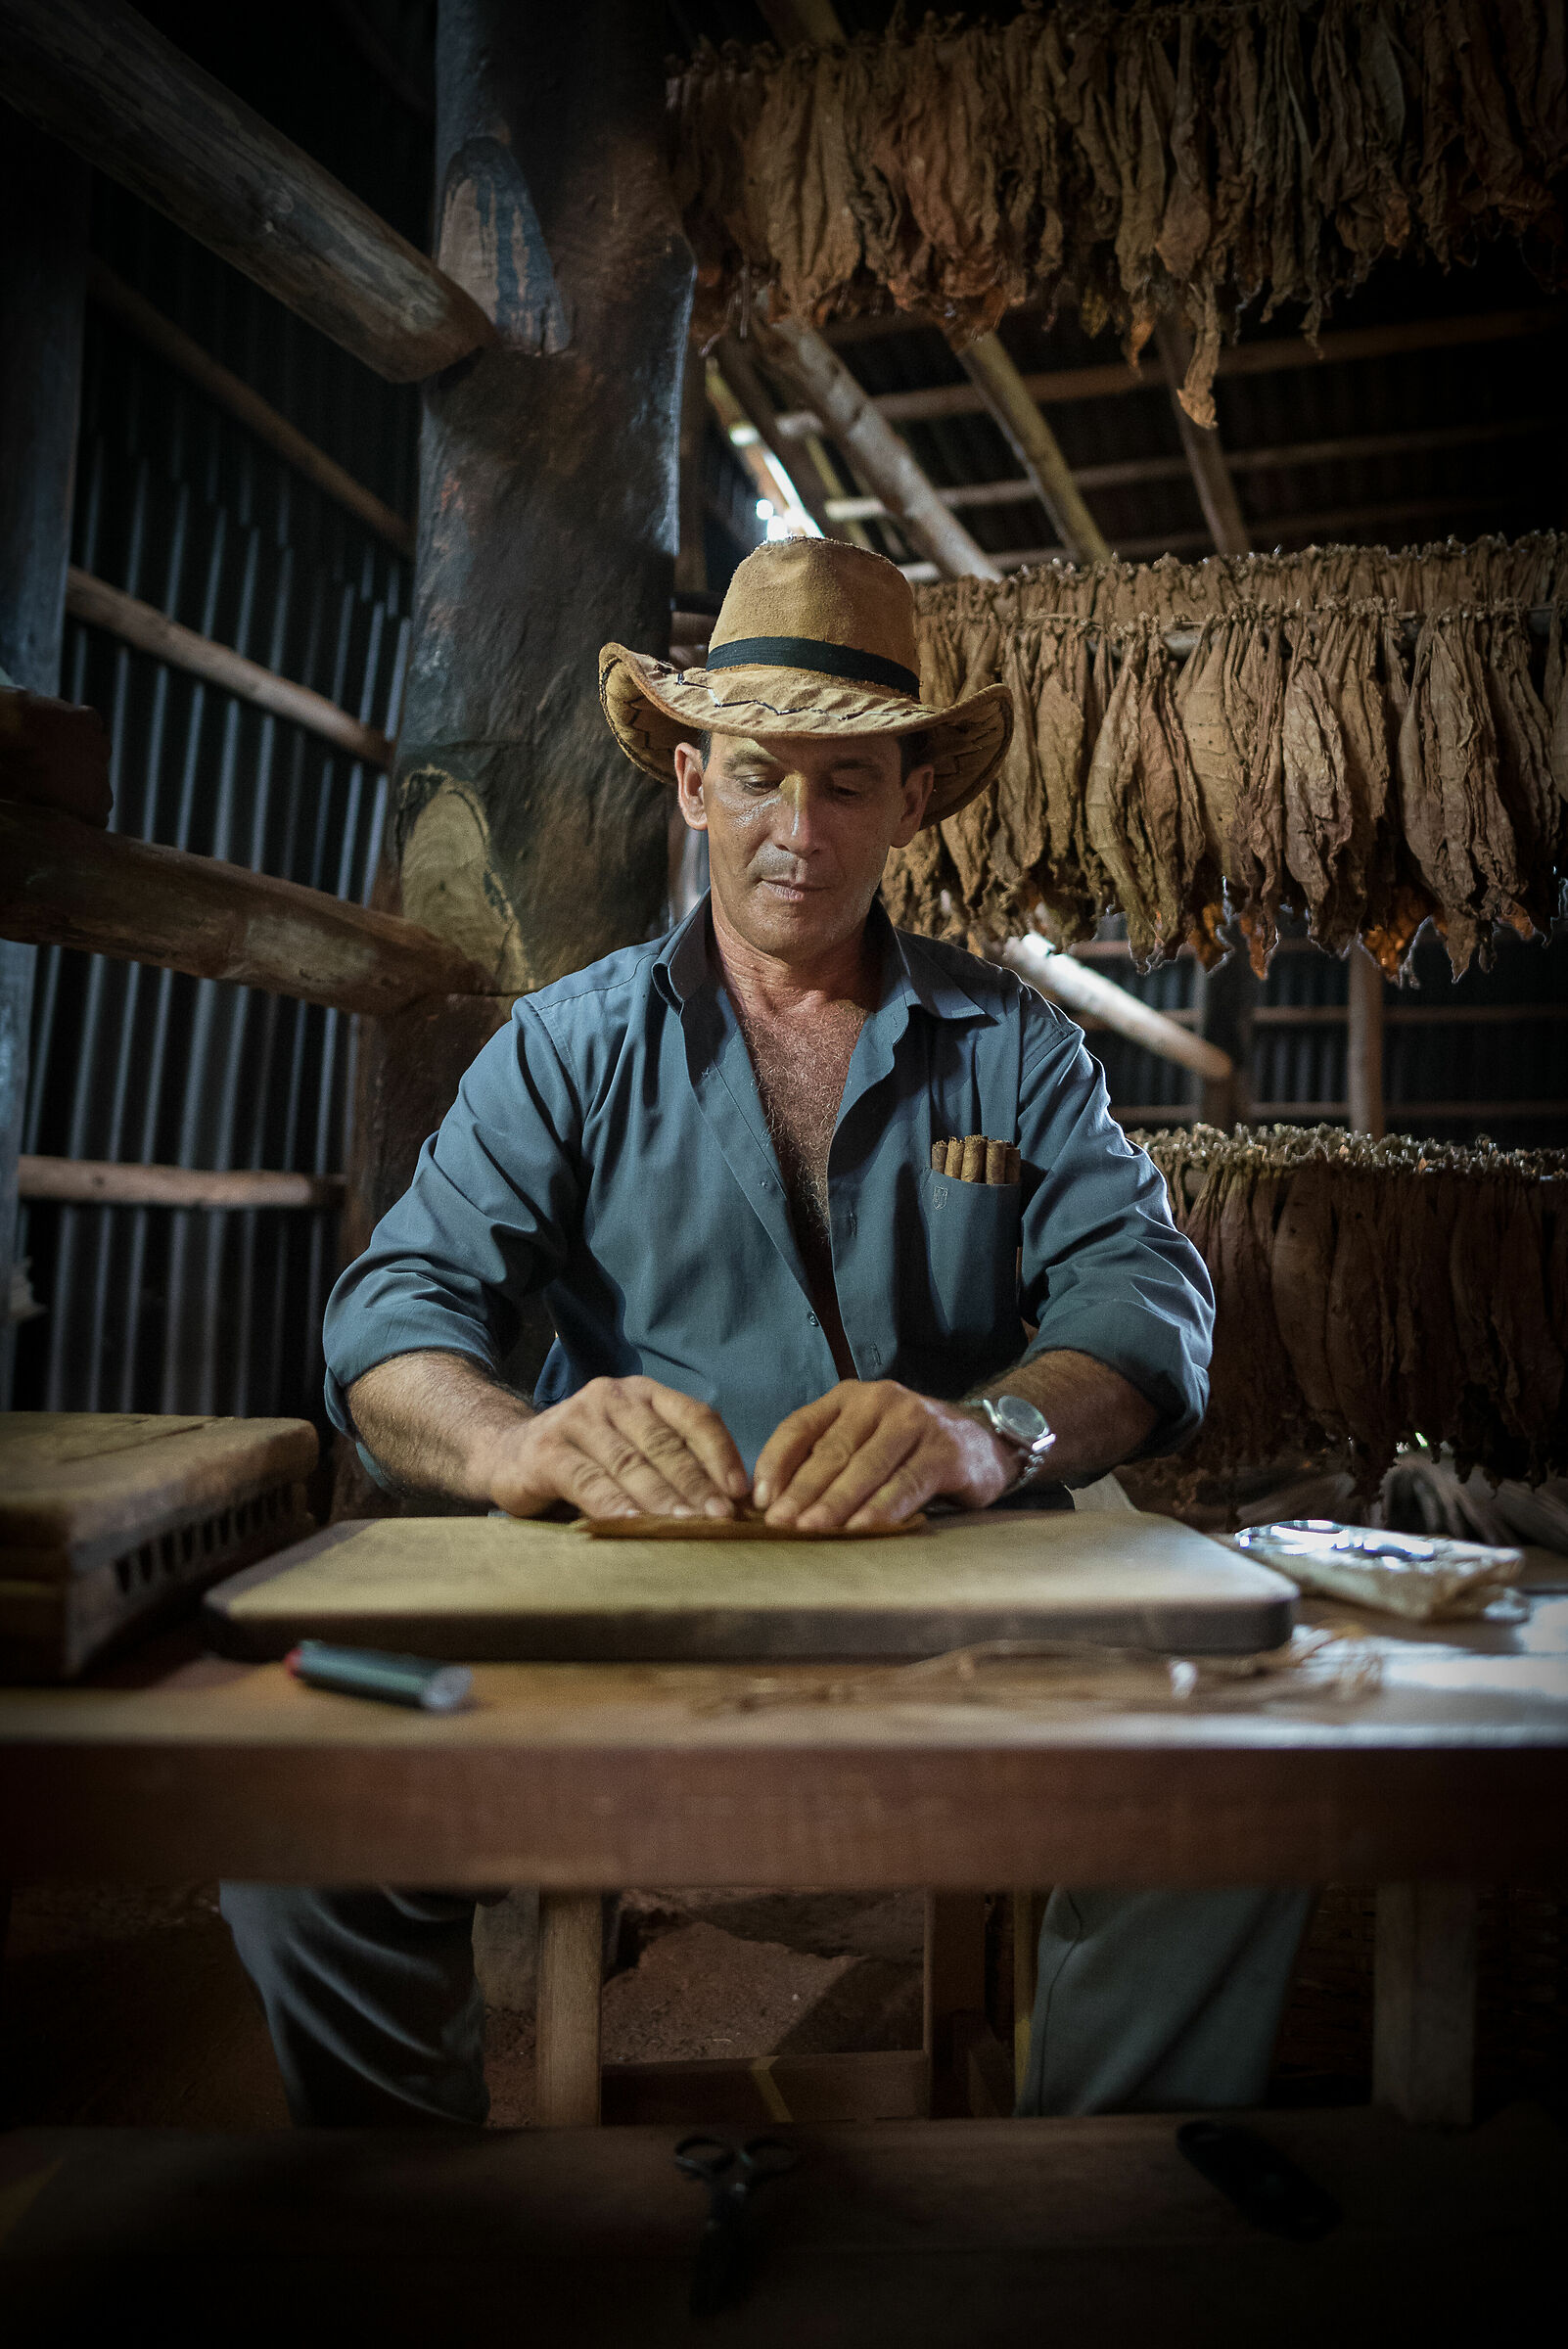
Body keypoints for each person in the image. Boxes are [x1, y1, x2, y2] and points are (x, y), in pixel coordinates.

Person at [223, 539, 1309, 2125]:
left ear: (910, 801)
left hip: (954, 1580)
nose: (797, 834)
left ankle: (1086, 2219)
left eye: (847, 785)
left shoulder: (1014, 1051)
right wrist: (516, 1442)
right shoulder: (566, 1048)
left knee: (1233, 1818)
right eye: (757, 776)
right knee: (293, 1842)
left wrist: (985, 1432)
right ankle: (418, 2223)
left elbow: (1142, 1302)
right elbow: (392, 1313)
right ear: (689, 778)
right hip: (615, 1577)